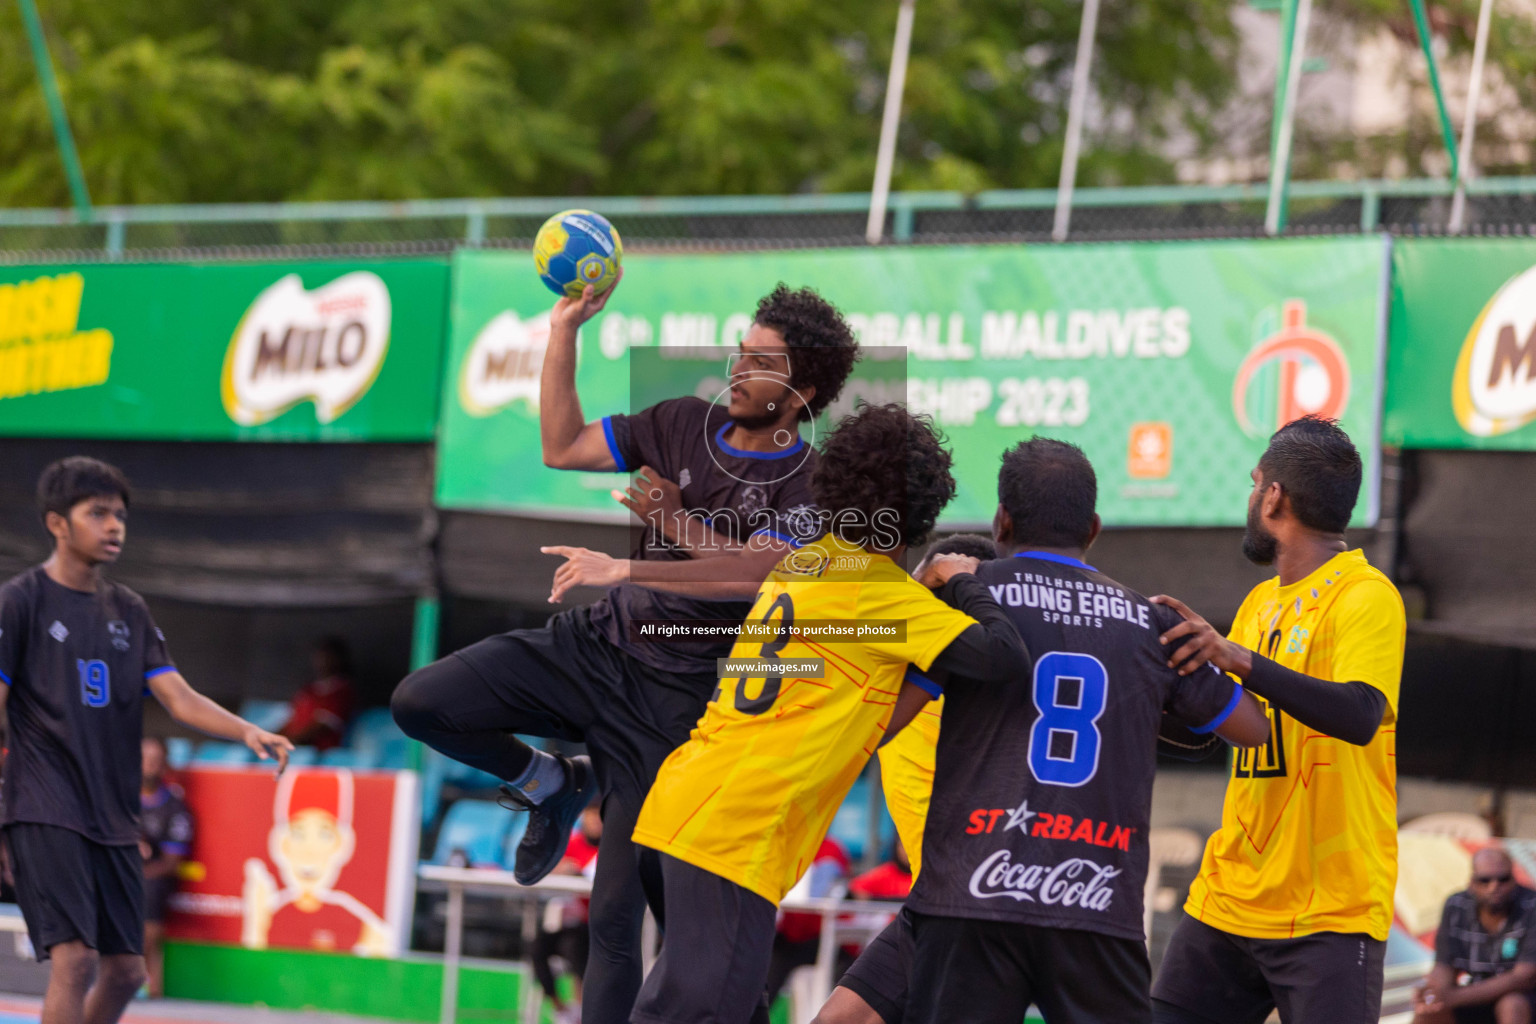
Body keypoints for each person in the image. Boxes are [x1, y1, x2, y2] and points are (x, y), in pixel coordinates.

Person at [392, 278, 861, 1022]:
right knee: (421, 702)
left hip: (673, 702)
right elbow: (562, 445)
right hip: (593, 645)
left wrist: (668, 528)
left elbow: (755, 578)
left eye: (762, 361)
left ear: (802, 390)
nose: (739, 367)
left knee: (614, 916)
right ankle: (550, 783)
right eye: (740, 350)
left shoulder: (808, 484)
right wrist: (564, 330)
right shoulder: (678, 421)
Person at [627, 402, 1033, 1024]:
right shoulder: (883, 593)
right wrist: (962, 580)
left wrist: (929, 666)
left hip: (680, 808)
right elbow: (1005, 654)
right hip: (733, 836)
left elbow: (864, 723)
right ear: (921, 511)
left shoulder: (806, 564)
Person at [856, 438, 1270, 1024]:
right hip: (1095, 902)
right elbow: (1251, 730)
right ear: (1094, 528)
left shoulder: (967, 603)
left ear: (1001, 521)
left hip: (970, 896)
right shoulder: (1148, 621)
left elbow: (880, 720)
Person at [0, 456, 292, 1024]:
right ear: (57, 523)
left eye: (120, 516)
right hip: (43, 804)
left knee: (128, 971)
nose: (115, 527)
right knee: (76, 959)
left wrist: (247, 729)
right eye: (98, 513)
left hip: (112, 813)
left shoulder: (128, 610)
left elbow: (179, 698)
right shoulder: (21, 602)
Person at [1149, 415, 1408, 1024]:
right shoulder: (1260, 603)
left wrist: (1238, 657)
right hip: (1230, 893)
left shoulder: (1366, 595)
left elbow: (1361, 714)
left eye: (1252, 482)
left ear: (1272, 497)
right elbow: (1211, 731)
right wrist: (1140, 695)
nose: (1250, 497)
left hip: (1330, 911)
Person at [1413, 848, 1536, 1024]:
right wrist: (1432, 993)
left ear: (1513, 879)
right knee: (1429, 1013)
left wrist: (1453, 997)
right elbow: (1444, 965)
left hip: (1523, 1000)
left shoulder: (1532, 906)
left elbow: (1525, 978)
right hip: (1472, 994)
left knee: (1511, 1004)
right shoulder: (1456, 906)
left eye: (1503, 879)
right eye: (1485, 880)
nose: (1494, 886)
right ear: (1472, 882)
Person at [534, 803, 603, 1024]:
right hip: (566, 922)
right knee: (537, 948)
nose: (594, 821)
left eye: (599, 816)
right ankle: (560, 1007)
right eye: (591, 814)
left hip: (594, 926)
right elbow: (550, 868)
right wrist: (563, 870)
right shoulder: (571, 843)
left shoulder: (612, 850)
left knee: (576, 946)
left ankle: (584, 1010)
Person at [138, 737, 193, 999]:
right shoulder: (117, 801)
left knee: (150, 890)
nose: (148, 765)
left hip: (151, 878)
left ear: (164, 766)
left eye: (155, 760)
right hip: (116, 871)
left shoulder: (175, 808)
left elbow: (172, 863)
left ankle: (140, 976)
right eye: (143, 759)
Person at [278, 636, 355, 751]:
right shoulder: (308, 690)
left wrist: (290, 741)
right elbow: (291, 721)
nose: (322, 660)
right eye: (320, 655)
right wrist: (272, 738)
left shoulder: (344, 691)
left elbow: (322, 727)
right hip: (293, 748)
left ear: (339, 659)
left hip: (320, 753)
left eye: (328, 656)